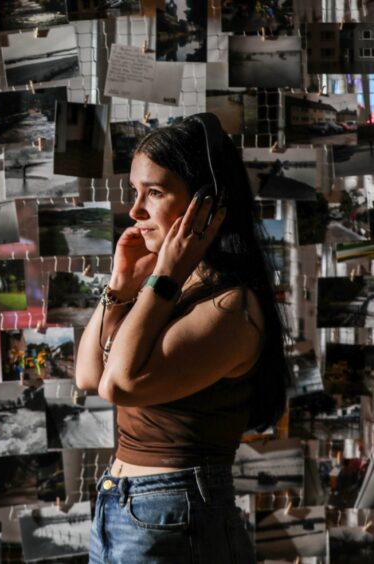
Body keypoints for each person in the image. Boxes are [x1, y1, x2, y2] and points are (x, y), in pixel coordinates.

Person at [76, 114, 290, 563]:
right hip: (124, 503)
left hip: (172, 510)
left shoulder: (230, 306)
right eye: (135, 192)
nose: (136, 211)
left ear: (205, 204)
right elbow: (88, 375)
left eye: (153, 192)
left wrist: (165, 274)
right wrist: (119, 285)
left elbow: (121, 385)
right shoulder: (171, 291)